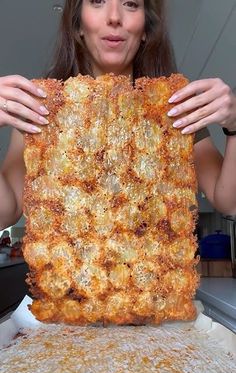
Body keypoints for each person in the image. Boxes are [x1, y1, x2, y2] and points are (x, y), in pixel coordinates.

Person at [0, 0, 236, 231]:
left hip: (157, 265)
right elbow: (5, 214)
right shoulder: (39, 110)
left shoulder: (175, 110)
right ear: (78, 24)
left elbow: (229, 203)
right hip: (66, 268)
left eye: (131, 4)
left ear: (145, 28)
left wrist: (235, 123)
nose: (114, 16)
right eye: (97, 1)